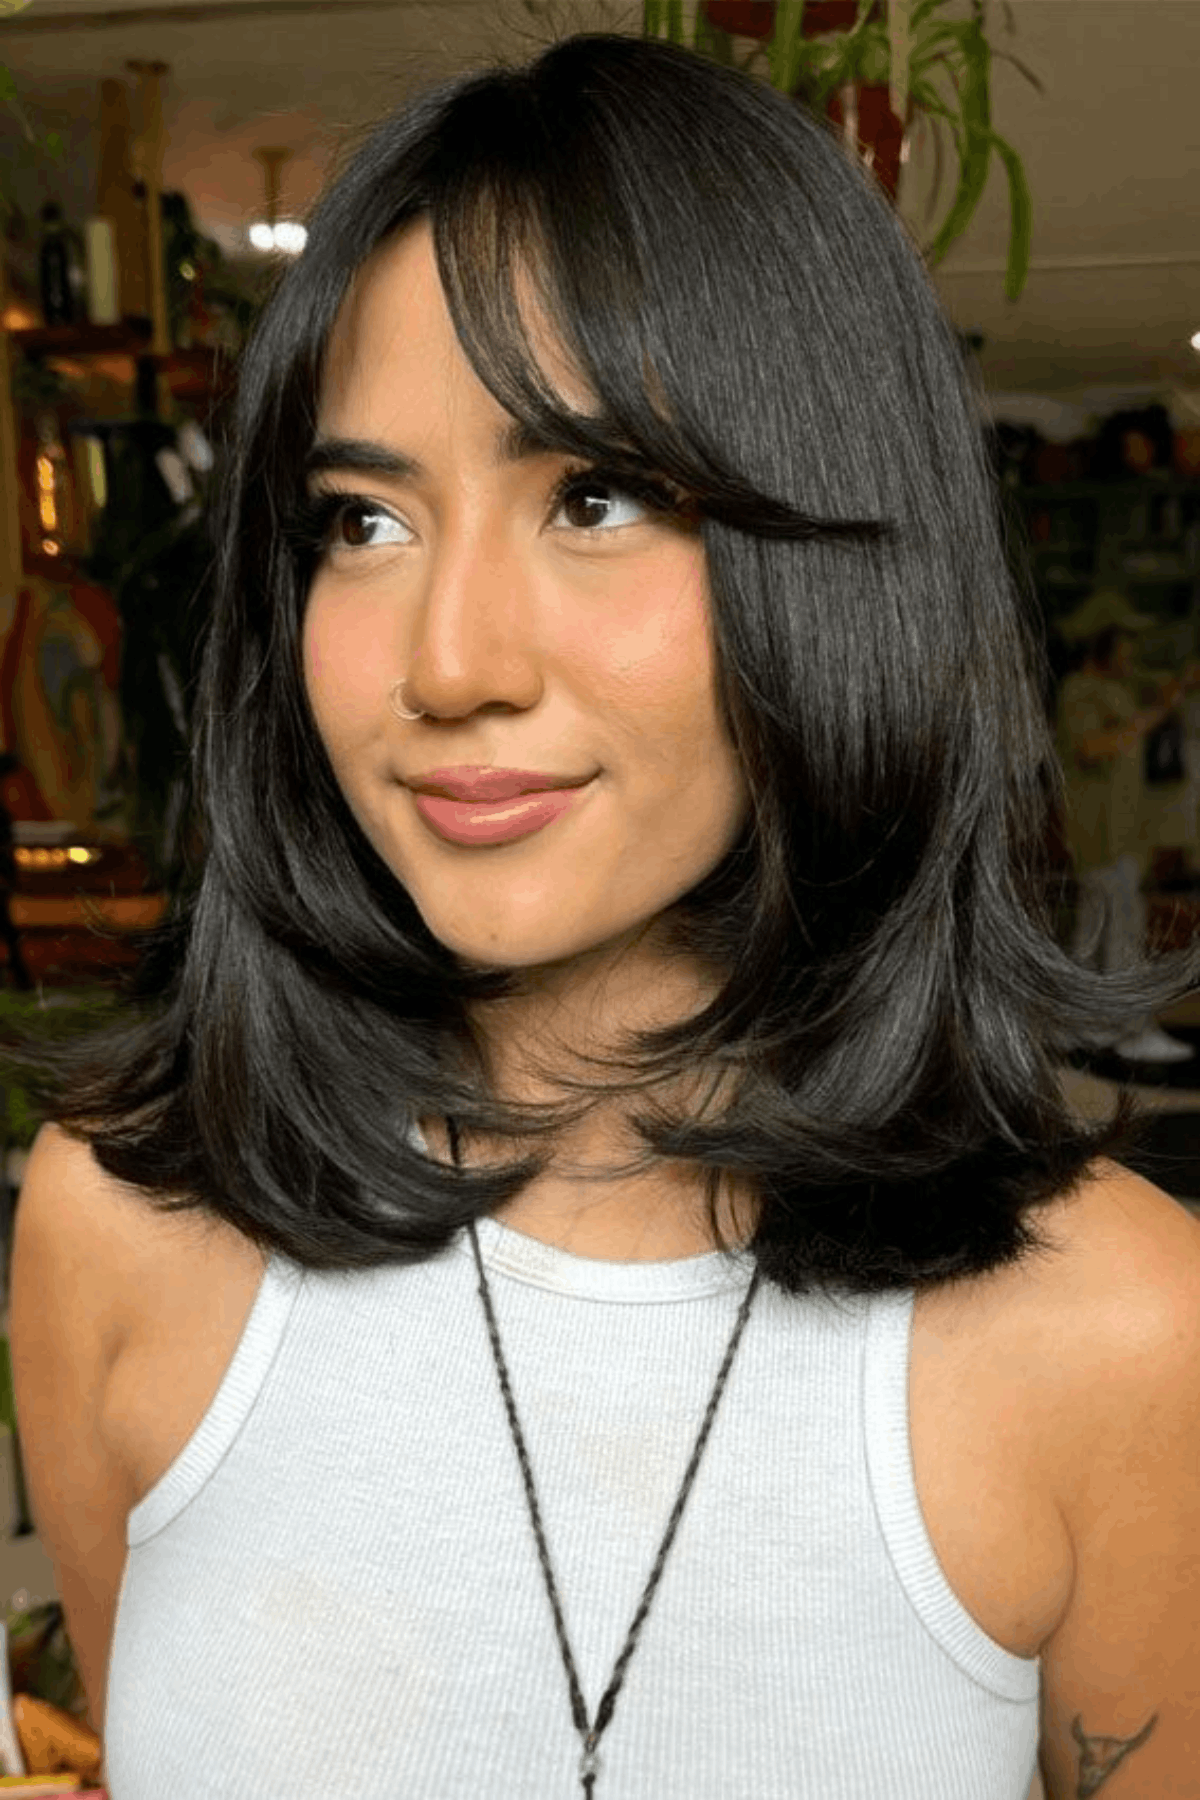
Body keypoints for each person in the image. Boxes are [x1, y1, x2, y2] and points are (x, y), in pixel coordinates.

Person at [7, 32, 1200, 1800]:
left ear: (838, 567)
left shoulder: (1121, 1336)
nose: (449, 665)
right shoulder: (114, 1226)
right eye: (361, 520)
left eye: (597, 494)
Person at [1055, 587, 1200, 1062]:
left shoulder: (1117, 688)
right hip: (1099, 836)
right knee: (1120, 934)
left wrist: (1173, 694)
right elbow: (1092, 749)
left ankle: (1081, 1025)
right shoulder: (1079, 690)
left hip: (1121, 836)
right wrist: (1153, 714)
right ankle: (1131, 1032)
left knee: (1095, 933)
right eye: (1125, 643)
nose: (1132, 652)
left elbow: (1154, 705)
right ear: (1103, 644)